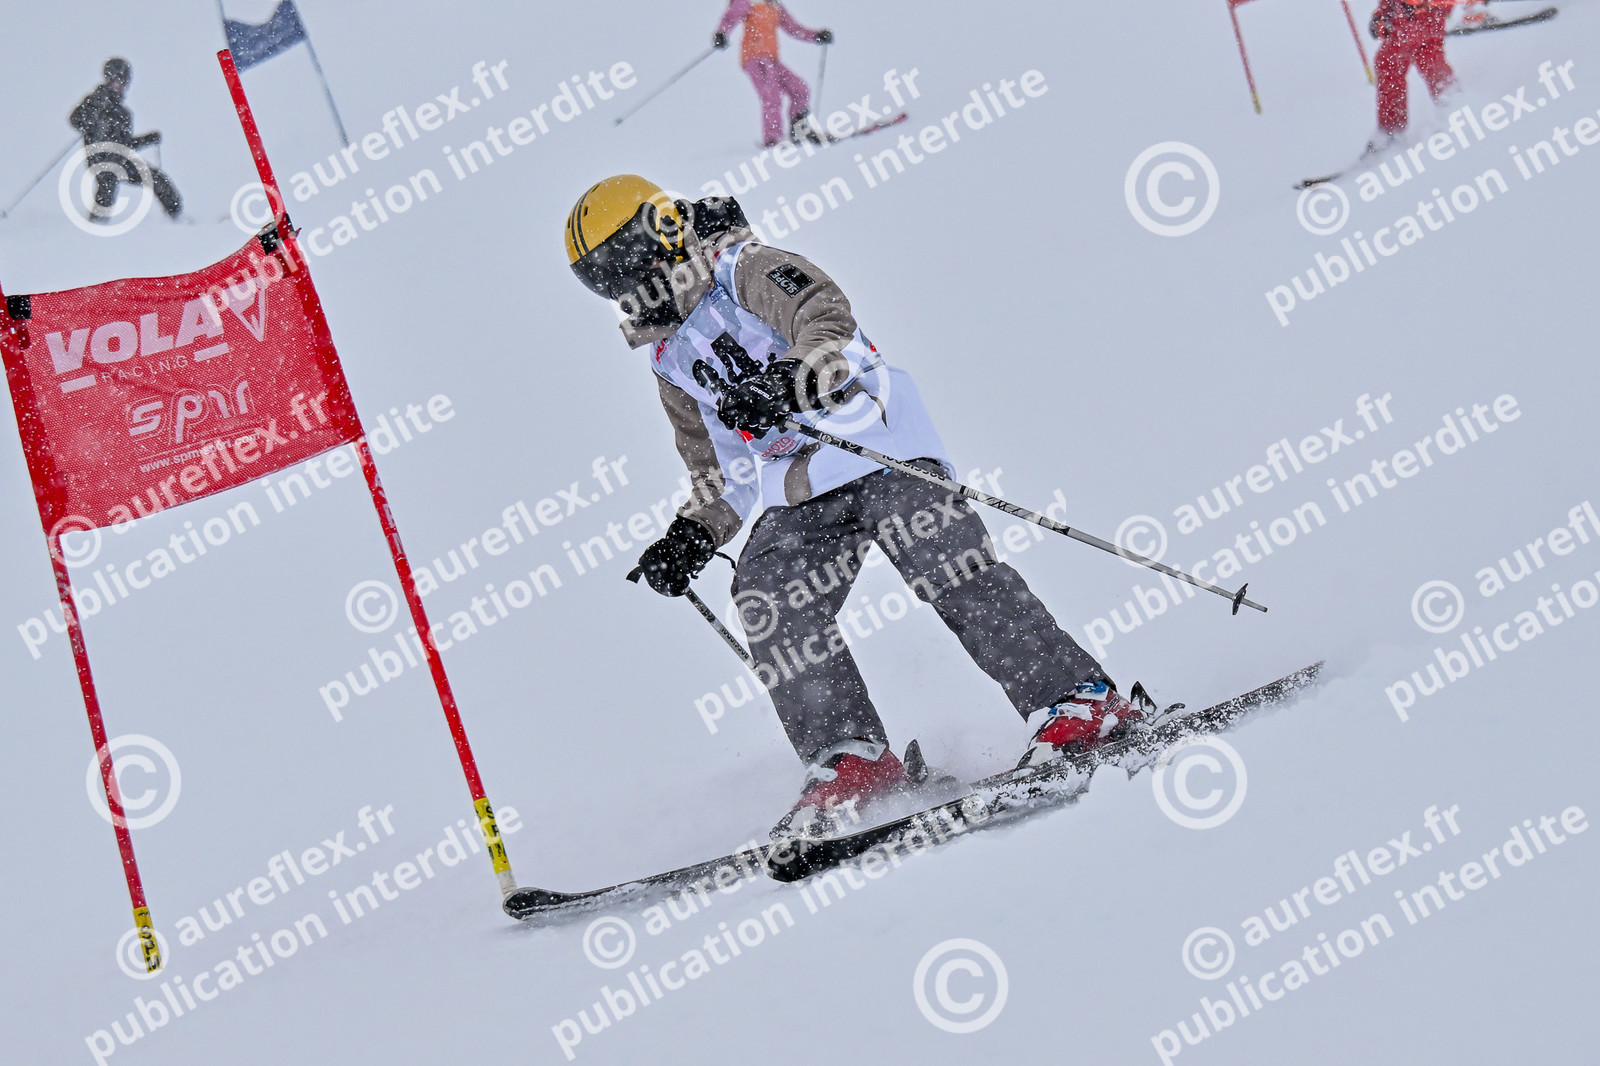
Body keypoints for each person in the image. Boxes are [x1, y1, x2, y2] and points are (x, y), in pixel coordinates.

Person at [563, 175, 1145, 838]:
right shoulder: (669, 360)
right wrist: (692, 534)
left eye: (629, 266)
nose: (628, 290)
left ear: (664, 233)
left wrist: (789, 379)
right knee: (766, 591)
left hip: (875, 443)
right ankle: (853, 759)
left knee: (942, 558)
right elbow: (720, 471)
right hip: (800, 489)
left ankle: (1079, 701)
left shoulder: (743, 269)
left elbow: (828, 318)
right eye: (606, 282)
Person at [69, 57, 183, 222]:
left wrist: (147, 140)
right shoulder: (96, 100)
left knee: (157, 178)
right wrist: (94, 108)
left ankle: (176, 217)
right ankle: (97, 223)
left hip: (120, 158)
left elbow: (125, 145)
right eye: (116, 80)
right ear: (108, 79)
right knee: (108, 180)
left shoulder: (123, 114)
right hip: (99, 158)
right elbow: (76, 120)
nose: (119, 85)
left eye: (123, 81)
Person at [714, 1, 832, 147]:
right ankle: (773, 139)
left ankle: (800, 132)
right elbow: (731, 17)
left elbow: (793, 28)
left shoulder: (774, 5)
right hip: (754, 57)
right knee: (772, 95)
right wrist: (721, 33)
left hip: (771, 59)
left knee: (800, 89)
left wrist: (816, 36)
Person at [1368, 0, 1456, 149]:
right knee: (1389, 64)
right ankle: (1391, 129)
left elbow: (1447, 4)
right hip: (1402, 26)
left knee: (1430, 62)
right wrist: (1382, 15)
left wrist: (1423, 4)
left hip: (1426, 21)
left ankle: (1453, 106)